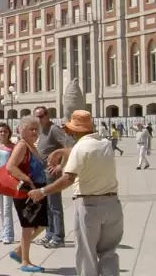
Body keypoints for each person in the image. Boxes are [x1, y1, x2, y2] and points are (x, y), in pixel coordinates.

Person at [30, 110, 122, 276]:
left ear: (74, 130)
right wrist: (61, 152)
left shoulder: (80, 148)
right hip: (112, 204)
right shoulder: (105, 143)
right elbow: (85, 151)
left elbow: (67, 179)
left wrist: (43, 191)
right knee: (109, 252)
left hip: (89, 206)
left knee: (87, 254)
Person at [5, 116, 48, 273]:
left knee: (42, 224)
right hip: (26, 191)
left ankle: (19, 251)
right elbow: (10, 166)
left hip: (38, 190)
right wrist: (27, 180)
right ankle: (25, 261)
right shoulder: (22, 145)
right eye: (31, 129)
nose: (35, 132)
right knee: (28, 226)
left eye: (36, 129)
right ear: (22, 130)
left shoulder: (31, 146)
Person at [33, 106, 73, 249]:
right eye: (36, 117)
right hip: (42, 173)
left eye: (41, 116)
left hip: (51, 174)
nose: (39, 119)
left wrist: (60, 166)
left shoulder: (53, 129)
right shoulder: (41, 131)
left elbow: (69, 146)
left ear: (47, 115)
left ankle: (58, 236)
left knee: (55, 206)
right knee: (47, 206)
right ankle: (49, 234)